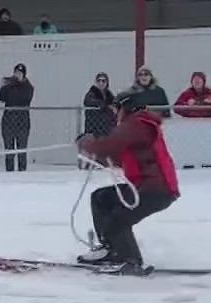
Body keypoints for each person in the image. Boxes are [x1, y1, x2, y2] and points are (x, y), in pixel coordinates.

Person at [73, 92, 180, 272]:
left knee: (119, 217)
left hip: (155, 188)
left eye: (116, 108)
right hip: (147, 186)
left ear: (125, 107)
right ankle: (112, 250)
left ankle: (129, 258)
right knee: (102, 198)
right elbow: (117, 154)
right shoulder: (137, 125)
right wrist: (98, 155)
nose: (114, 113)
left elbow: (107, 146)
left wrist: (86, 142)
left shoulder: (136, 124)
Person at [0, 63, 34, 171]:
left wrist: (19, 84)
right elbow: (1, 98)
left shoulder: (28, 87)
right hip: (8, 122)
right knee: (9, 150)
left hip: (22, 123)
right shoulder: (9, 86)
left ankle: (22, 171)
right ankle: (9, 171)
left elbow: (25, 98)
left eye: (20, 73)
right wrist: (5, 86)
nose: (17, 75)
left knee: (21, 149)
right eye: (16, 73)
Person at [81, 73, 116, 147]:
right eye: (99, 80)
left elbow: (115, 105)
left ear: (107, 83)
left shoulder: (109, 95)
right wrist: (104, 105)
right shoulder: (92, 93)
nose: (101, 83)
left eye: (103, 81)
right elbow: (87, 101)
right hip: (94, 129)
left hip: (107, 129)